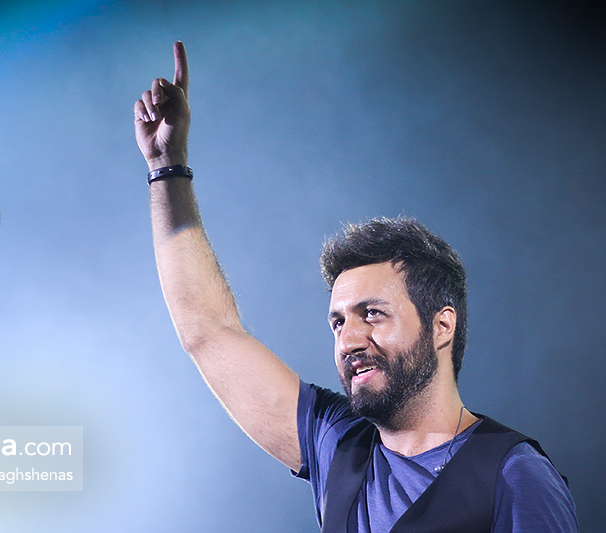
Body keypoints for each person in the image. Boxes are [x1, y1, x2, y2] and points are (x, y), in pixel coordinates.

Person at [133, 41, 578, 532]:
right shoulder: (337, 444)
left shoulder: (514, 476)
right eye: (338, 322)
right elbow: (209, 332)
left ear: (442, 325)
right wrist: (166, 167)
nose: (348, 340)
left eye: (372, 314)